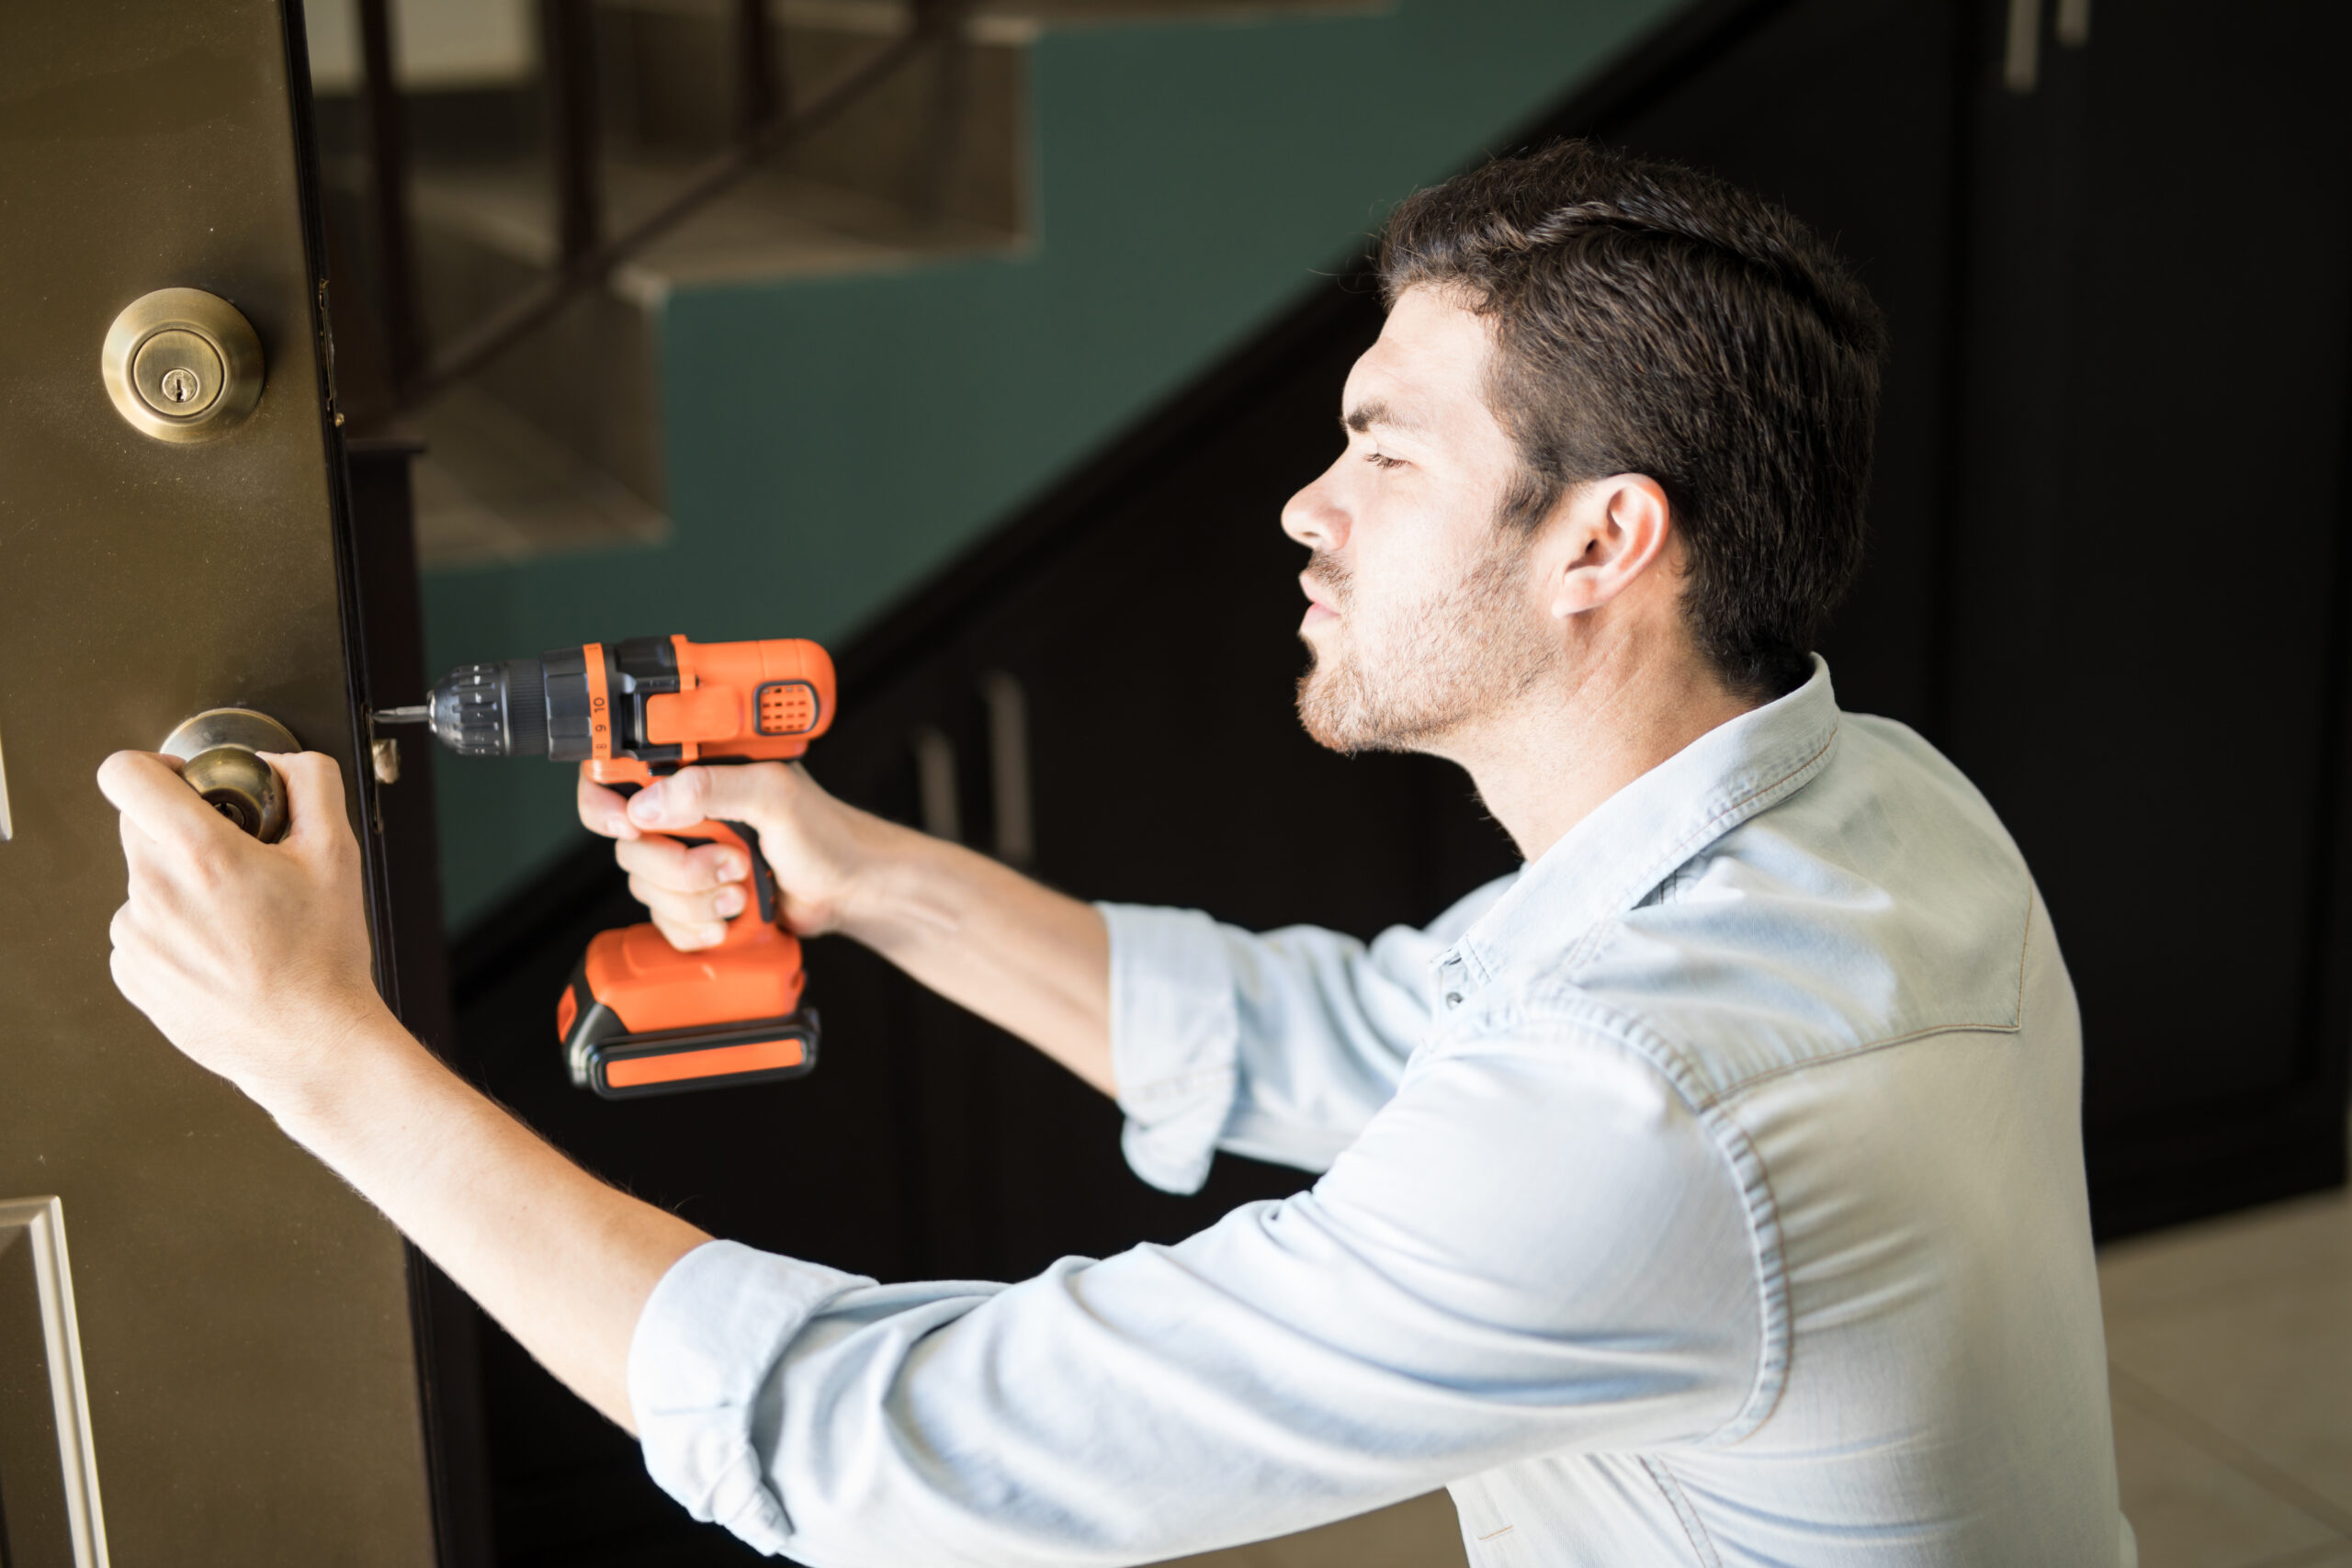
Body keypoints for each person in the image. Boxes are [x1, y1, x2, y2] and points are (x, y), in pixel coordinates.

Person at [99, 140, 2132, 1565]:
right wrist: (859, 871)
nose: (1302, 508)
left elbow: (879, 1449)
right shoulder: (1865, 807)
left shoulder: (1645, 1110)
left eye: (1382, 449)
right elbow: (1348, 1031)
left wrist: (315, 1045)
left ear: (1602, 539)